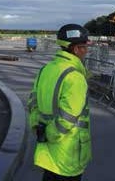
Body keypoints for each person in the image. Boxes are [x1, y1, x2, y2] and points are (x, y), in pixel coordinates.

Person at [28, 24, 93, 180]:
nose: (86, 51)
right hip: (67, 154)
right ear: (76, 49)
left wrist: (38, 127)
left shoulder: (45, 69)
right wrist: (51, 135)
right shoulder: (75, 77)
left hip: (47, 151)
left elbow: (32, 103)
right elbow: (68, 117)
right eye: (84, 47)